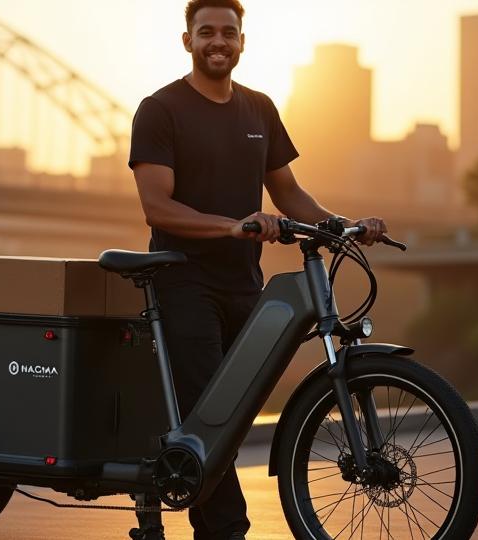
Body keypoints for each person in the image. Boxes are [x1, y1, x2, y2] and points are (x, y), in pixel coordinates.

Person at [127, 1, 387, 539]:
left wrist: (341, 224)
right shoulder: (160, 110)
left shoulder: (259, 109)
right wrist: (230, 225)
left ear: (242, 41)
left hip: (244, 281)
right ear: (187, 41)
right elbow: (157, 206)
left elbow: (287, 191)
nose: (218, 41)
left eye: (228, 32)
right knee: (210, 414)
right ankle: (225, 530)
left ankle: (160, 483)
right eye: (206, 33)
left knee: (237, 408)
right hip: (183, 279)